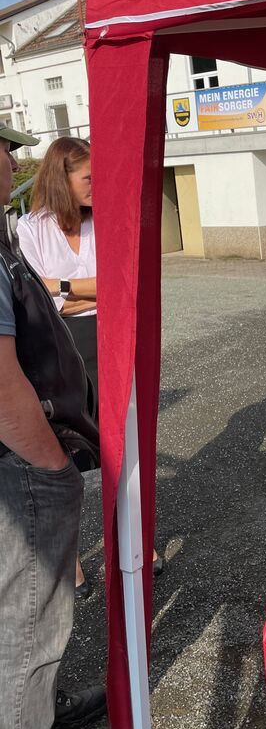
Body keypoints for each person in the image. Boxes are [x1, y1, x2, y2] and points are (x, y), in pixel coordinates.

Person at [0, 125, 125, 729]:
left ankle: (32, 725)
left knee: (22, 621)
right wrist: (52, 465)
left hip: (22, 460)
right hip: (20, 466)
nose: (13, 161)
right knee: (27, 627)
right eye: (2, 151)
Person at [18, 137, 162, 599]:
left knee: (124, 447)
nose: (97, 188)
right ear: (61, 178)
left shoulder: (108, 221)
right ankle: (73, 559)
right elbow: (38, 301)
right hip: (58, 347)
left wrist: (61, 287)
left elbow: (123, 286)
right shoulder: (30, 228)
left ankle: (136, 540)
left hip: (114, 339)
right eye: (88, 179)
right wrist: (78, 290)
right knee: (68, 452)